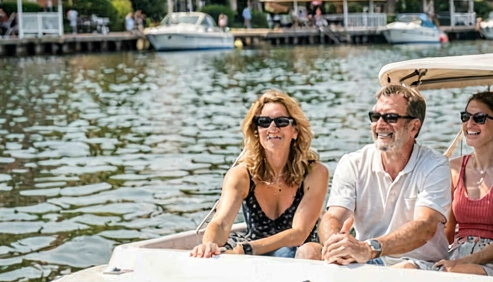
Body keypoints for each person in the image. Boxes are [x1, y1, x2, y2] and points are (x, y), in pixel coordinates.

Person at [297, 84, 451, 269]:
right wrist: (336, 244)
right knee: (308, 251)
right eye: (375, 116)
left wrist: (369, 248)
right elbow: (333, 217)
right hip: (367, 258)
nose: (380, 124)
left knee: (403, 269)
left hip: (417, 263)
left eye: (391, 117)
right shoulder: (353, 163)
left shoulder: (435, 165)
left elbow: (424, 227)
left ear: (414, 127)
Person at [191, 90, 329, 259]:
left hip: (298, 253)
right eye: (264, 122)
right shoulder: (241, 175)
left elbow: (298, 233)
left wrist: (246, 250)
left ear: (295, 131)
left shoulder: (315, 173)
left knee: (306, 250)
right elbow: (221, 223)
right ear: (256, 130)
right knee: (214, 254)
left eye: (281, 121)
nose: (272, 128)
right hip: (253, 252)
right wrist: (209, 245)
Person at [433, 92, 493, 275]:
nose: (470, 124)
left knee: (452, 274)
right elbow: (446, 231)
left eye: (479, 118)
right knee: (407, 268)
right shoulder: (454, 168)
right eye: (466, 117)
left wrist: (461, 262)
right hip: (456, 254)